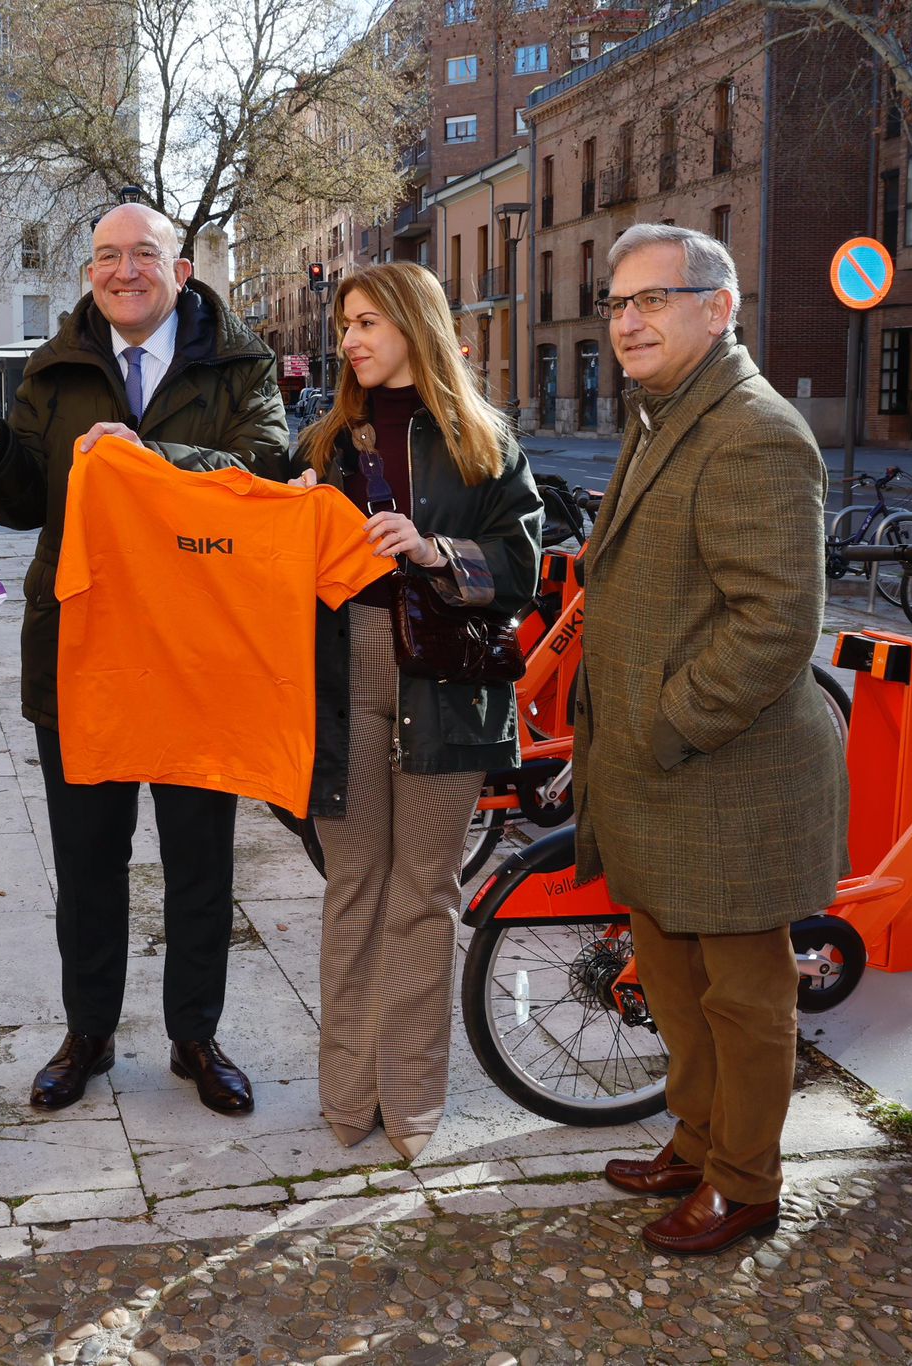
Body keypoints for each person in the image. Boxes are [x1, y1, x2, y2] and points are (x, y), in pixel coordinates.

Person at [0, 202, 288, 1116]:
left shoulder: (241, 360)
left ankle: (195, 1035)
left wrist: (152, 458)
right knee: (89, 862)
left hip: (196, 653)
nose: (123, 270)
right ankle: (88, 1033)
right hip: (84, 651)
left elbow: (261, 469)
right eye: (106, 256)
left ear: (181, 270)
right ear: (88, 273)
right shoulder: (53, 368)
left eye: (144, 254)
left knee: (199, 862)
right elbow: (24, 501)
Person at [575, 223, 847, 1255]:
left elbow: (775, 624)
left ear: (717, 308)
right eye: (616, 301)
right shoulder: (660, 413)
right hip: (657, 778)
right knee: (676, 986)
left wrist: (660, 722)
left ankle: (745, 1183)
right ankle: (694, 1140)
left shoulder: (753, 429)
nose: (628, 320)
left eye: (653, 298)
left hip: (727, 774)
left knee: (741, 996)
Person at [290, 263, 540, 1160]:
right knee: (354, 886)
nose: (349, 339)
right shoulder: (321, 446)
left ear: (413, 324)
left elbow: (523, 568)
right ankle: (348, 1094)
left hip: (445, 686)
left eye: (366, 321)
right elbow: (249, 516)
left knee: (423, 893)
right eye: (345, 325)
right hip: (343, 672)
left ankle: (411, 1096)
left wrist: (436, 551)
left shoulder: (482, 441)